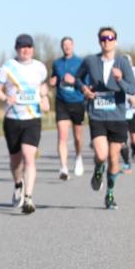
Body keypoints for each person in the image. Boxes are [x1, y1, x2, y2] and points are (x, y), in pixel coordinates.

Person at [75, 27, 135, 209]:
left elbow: (132, 89)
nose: (106, 41)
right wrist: (84, 89)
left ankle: (109, 193)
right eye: (103, 38)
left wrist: (119, 80)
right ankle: (98, 168)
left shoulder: (123, 62)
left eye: (110, 38)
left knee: (114, 158)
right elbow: (77, 78)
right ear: (99, 41)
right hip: (97, 115)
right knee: (101, 155)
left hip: (117, 117)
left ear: (115, 41)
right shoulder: (90, 60)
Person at [0, 34, 50, 214]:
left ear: (33, 49)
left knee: (28, 156)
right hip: (12, 119)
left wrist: (45, 97)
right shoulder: (8, 67)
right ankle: (18, 183)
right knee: (15, 161)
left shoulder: (40, 67)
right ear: (17, 49)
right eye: (22, 47)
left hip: (32, 119)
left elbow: (43, 87)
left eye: (29, 46)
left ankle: (28, 198)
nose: (26, 50)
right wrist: (5, 97)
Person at [48, 36, 85, 180]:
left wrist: (74, 81)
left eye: (69, 44)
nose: (67, 47)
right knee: (62, 136)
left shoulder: (80, 62)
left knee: (77, 137)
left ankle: (78, 157)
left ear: (73, 46)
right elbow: (54, 79)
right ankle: (63, 167)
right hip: (61, 102)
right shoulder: (57, 63)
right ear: (62, 47)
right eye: (64, 45)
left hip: (77, 101)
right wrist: (52, 82)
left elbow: (86, 83)